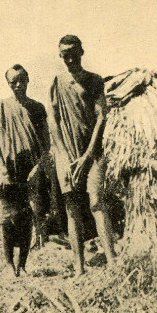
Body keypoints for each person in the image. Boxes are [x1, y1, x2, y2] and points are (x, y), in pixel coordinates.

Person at [49, 35, 117, 276]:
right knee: (72, 209)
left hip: (92, 154)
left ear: (81, 52)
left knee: (97, 203)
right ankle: (79, 268)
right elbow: (53, 121)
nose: (68, 58)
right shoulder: (57, 83)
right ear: (59, 55)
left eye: (73, 52)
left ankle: (112, 263)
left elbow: (101, 117)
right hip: (66, 157)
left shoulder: (94, 81)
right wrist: (64, 154)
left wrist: (88, 155)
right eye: (64, 53)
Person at [0, 64, 57, 276]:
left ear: (28, 80)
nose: (18, 85)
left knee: (27, 218)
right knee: (8, 220)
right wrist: (2, 169)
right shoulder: (1, 106)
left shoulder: (37, 108)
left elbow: (46, 142)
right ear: (8, 84)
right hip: (8, 169)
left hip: (31, 169)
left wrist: (38, 167)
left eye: (22, 80)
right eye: (13, 82)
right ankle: (9, 265)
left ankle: (22, 265)